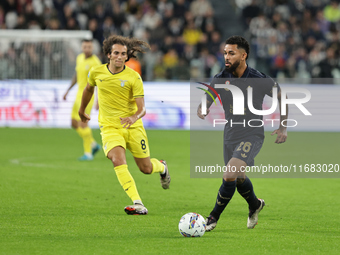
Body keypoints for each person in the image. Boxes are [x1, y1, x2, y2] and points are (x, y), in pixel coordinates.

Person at [197, 35, 288, 230]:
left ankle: (212, 218)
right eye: (224, 53)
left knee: (229, 173)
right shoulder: (220, 78)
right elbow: (207, 99)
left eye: (231, 53)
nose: (226, 57)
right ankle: (255, 205)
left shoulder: (258, 78)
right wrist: (203, 108)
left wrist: (283, 126)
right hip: (230, 134)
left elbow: (282, 97)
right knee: (238, 179)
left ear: (243, 55)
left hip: (252, 134)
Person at [79, 35, 171, 215]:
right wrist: (82, 110)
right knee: (117, 159)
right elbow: (88, 89)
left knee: (146, 168)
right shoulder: (97, 73)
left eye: (123, 54)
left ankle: (162, 167)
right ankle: (138, 203)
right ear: (108, 54)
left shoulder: (133, 77)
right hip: (110, 127)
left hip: (133, 127)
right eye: (116, 53)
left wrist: (134, 117)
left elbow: (142, 109)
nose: (120, 57)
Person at [63, 39, 102, 161]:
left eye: (89, 47)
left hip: (88, 97)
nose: (87, 49)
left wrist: (98, 100)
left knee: (83, 123)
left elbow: (99, 82)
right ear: (82, 48)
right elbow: (76, 75)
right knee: (73, 123)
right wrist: (68, 90)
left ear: (92, 48)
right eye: (85, 47)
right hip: (78, 95)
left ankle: (88, 153)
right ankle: (94, 145)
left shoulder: (95, 62)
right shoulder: (79, 58)